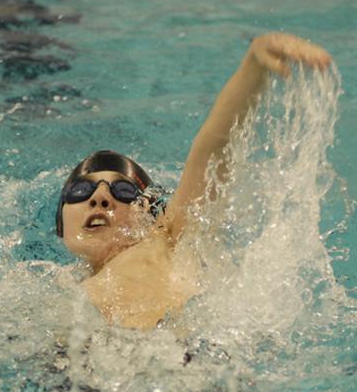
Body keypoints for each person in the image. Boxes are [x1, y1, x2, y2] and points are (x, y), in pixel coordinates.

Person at [56, 32, 332, 329]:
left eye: (122, 191)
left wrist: (255, 62)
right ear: (60, 222)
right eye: (80, 191)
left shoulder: (168, 239)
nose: (99, 198)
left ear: (150, 214)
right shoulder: (58, 288)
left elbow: (214, 148)